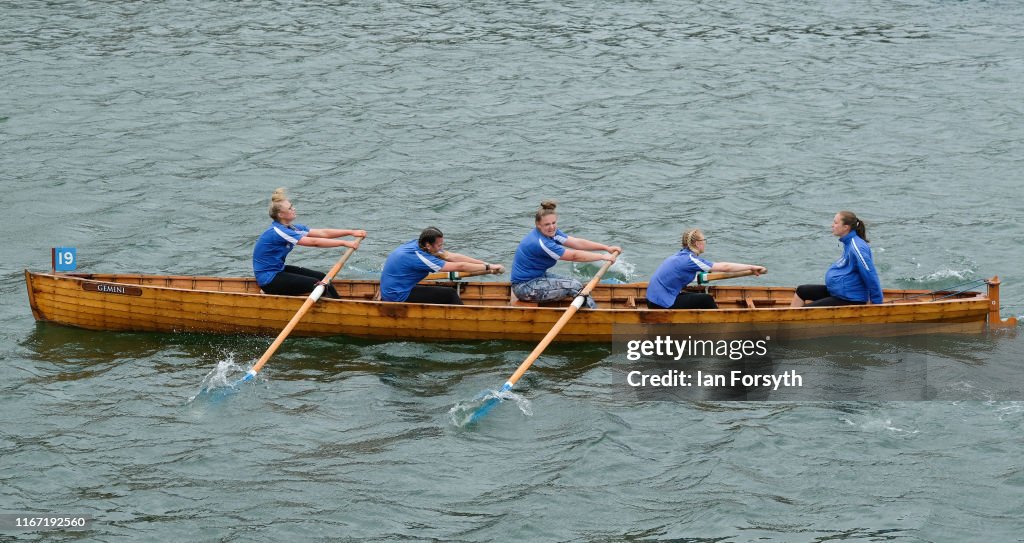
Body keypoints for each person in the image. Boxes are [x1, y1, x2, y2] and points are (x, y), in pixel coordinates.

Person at [252, 188, 366, 298]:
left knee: (322, 277)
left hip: (278, 270)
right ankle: (341, 311)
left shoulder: (292, 228)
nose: (294, 208)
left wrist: (351, 232)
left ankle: (336, 305)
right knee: (319, 284)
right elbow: (314, 242)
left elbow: (322, 233)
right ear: (281, 215)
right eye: (290, 208)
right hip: (269, 279)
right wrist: (344, 243)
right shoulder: (279, 232)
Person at [510, 200, 621, 309]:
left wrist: (606, 248)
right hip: (524, 287)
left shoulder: (552, 233)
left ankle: (586, 309)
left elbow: (577, 243)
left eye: (554, 223)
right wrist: (602, 257)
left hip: (538, 276)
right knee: (575, 286)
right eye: (547, 224)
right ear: (538, 225)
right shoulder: (541, 243)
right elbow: (574, 256)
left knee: (576, 284)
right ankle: (595, 314)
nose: (552, 227)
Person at [645, 229, 767, 309]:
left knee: (697, 294)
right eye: (704, 240)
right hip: (661, 303)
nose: (705, 243)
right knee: (706, 299)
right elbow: (725, 267)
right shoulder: (690, 260)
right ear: (698, 243)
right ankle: (721, 324)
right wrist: (752, 267)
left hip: (652, 298)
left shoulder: (681, 255)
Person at [380, 227, 505, 304]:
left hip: (395, 288)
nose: (441, 248)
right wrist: (489, 268)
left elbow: (452, 257)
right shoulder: (421, 257)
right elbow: (459, 266)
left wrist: (488, 265)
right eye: (439, 245)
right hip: (396, 296)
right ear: (428, 245)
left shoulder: (418, 244)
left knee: (444, 293)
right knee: (449, 294)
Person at [791, 211, 883, 307]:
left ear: (846, 227)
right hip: (838, 292)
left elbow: (870, 274)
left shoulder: (857, 247)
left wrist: (877, 302)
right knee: (801, 291)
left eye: (835, 223)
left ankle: (792, 320)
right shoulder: (849, 243)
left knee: (805, 310)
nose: (832, 225)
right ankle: (789, 319)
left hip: (850, 298)